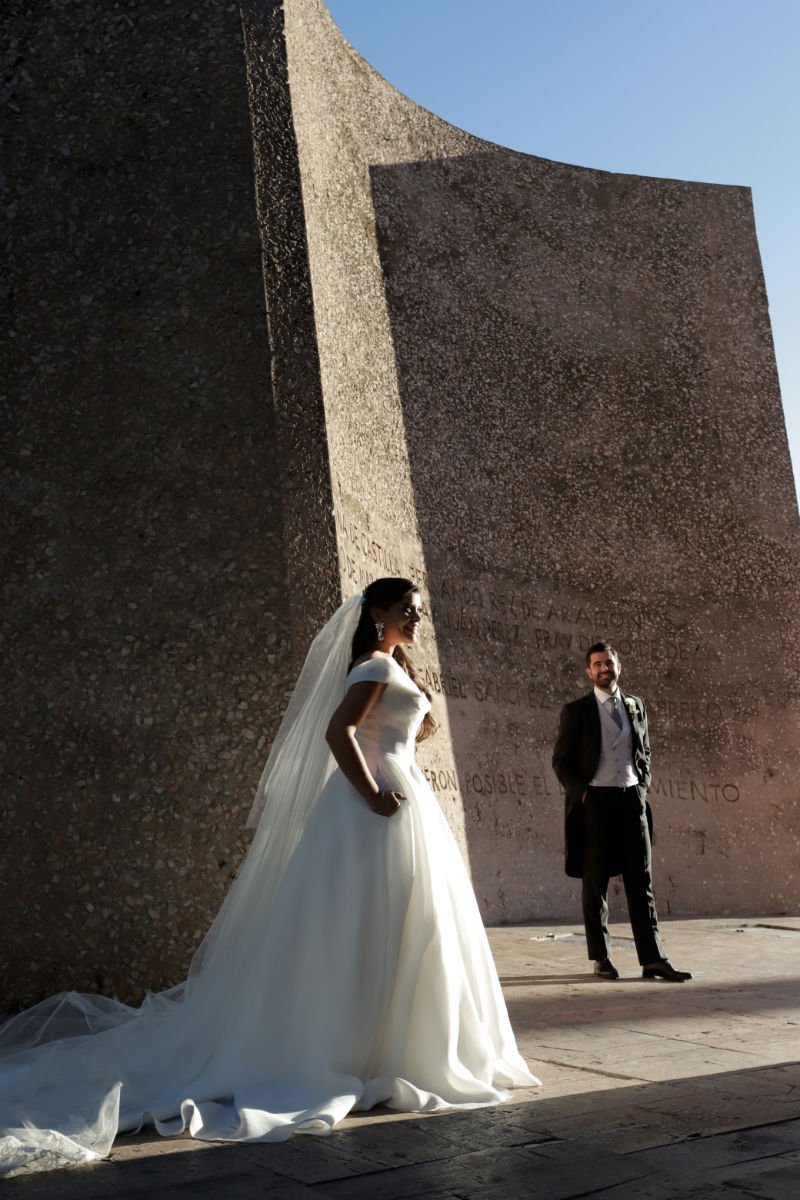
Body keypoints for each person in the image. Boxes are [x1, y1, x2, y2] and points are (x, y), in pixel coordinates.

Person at [0, 577, 539, 1177]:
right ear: (378, 613)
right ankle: (343, 1046)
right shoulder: (371, 667)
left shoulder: (391, 665)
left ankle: (399, 1045)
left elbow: (391, 732)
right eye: (405, 611)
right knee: (364, 923)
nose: (415, 618)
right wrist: (373, 793)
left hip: (400, 803)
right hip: (373, 810)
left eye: (418, 611)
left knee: (411, 923)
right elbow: (339, 734)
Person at [552, 641, 692, 983]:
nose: (604, 668)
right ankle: (601, 957)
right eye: (597, 664)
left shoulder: (636, 705)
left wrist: (642, 784)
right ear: (589, 671)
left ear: (618, 667)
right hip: (595, 802)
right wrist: (583, 793)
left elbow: (644, 750)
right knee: (595, 881)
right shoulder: (577, 711)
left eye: (609, 663)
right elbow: (561, 760)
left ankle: (653, 959)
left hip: (631, 800)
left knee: (641, 881)